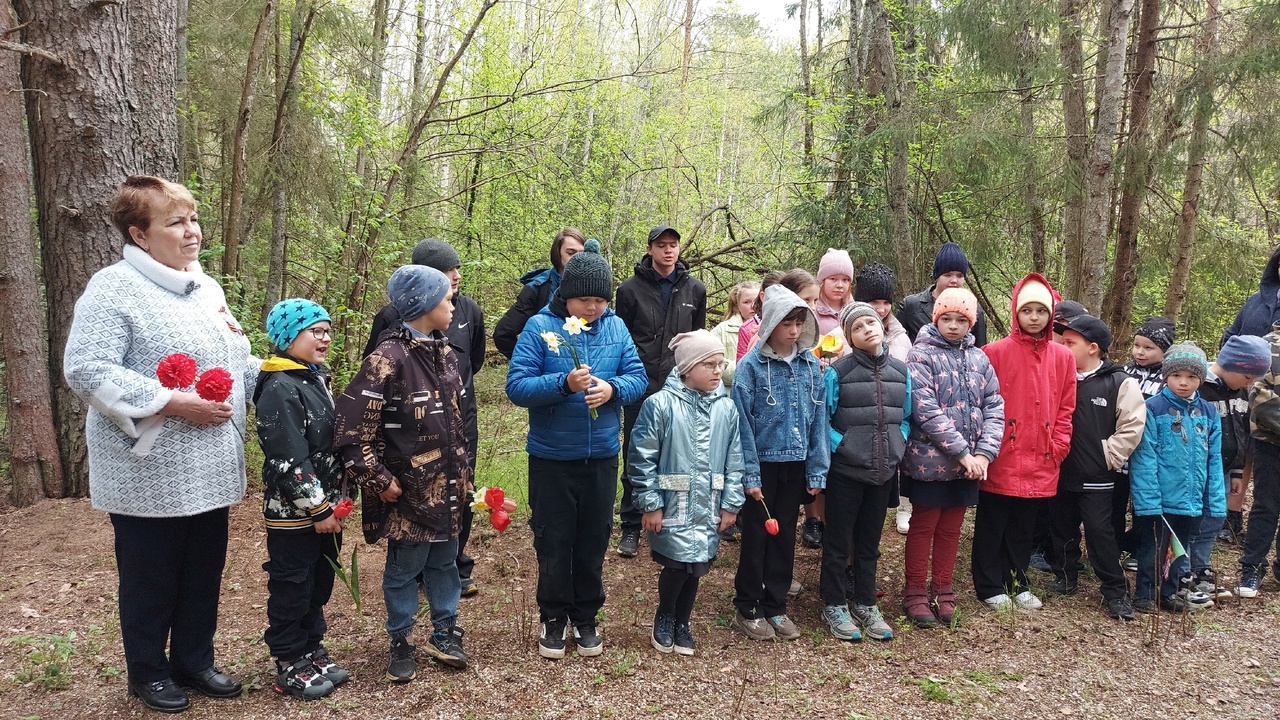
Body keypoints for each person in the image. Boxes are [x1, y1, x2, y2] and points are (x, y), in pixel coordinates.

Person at [64, 175, 256, 713]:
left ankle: (194, 661)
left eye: (192, 219)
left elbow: (238, 362)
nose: (191, 232)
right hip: (147, 473)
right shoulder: (112, 288)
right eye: (175, 222)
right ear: (139, 234)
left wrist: (291, 377)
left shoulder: (206, 287)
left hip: (209, 467)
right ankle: (147, 672)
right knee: (151, 581)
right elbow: (85, 369)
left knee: (203, 572)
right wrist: (172, 402)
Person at [506, 241, 648, 659]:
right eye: (586, 299)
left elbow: (638, 377)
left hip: (601, 456)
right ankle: (553, 618)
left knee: (592, 540)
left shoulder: (616, 328)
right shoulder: (539, 328)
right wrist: (561, 384)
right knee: (553, 541)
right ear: (566, 295)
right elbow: (516, 387)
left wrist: (613, 388)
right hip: (551, 458)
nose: (594, 308)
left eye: (601, 300)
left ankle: (586, 617)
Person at [334, 265, 472, 682]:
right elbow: (351, 429)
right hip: (408, 494)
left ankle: (445, 630)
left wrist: (464, 477)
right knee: (404, 568)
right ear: (425, 305)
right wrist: (379, 479)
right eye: (446, 299)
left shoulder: (445, 353)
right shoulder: (386, 358)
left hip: (446, 489)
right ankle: (401, 638)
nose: (453, 305)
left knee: (445, 563)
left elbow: (456, 423)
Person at [364, 239, 485, 596]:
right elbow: (378, 375)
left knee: (460, 490)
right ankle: (412, 569)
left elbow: (472, 362)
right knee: (414, 497)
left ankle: (454, 564)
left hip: (461, 419)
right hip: (411, 429)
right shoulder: (391, 316)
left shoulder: (469, 311)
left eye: (457, 268)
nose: (456, 276)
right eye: (448, 272)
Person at [629, 331, 746, 656]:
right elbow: (642, 457)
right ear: (687, 367)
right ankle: (665, 615)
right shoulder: (660, 405)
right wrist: (651, 503)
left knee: (697, 566)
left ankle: (683, 621)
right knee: (677, 565)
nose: (716, 371)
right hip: (673, 503)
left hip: (708, 503)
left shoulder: (726, 408)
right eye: (708, 364)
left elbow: (736, 460)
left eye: (720, 364)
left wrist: (731, 504)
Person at [256, 299, 346, 700]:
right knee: (292, 584)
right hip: (295, 513)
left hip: (328, 509)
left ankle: (312, 647)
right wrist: (317, 506)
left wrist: (339, 499)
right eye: (315, 331)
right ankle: (289, 659)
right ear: (288, 337)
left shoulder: (314, 378)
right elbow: (288, 456)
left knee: (318, 582)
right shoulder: (279, 386)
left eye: (327, 330)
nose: (325, 338)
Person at [729, 285, 829, 641]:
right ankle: (748, 606)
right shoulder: (750, 368)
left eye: (799, 322)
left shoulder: (809, 366)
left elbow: (819, 421)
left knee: (785, 535)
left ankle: (776, 604)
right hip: (763, 466)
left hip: (796, 463)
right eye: (787, 322)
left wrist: (817, 468)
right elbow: (741, 424)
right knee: (757, 534)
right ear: (771, 323)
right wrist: (750, 474)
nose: (793, 330)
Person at [900, 288, 1004, 628]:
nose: (954, 326)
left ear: (971, 323)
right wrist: (962, 452)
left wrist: (984, 453)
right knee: (924, 526)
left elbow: (995, 407)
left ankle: (943, 588)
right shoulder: (921, 355)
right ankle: (915, 591)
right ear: (936, 318)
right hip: (930, 463)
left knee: (951, 529)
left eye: (962, 320)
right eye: (947, 318)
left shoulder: (979, 359)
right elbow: (926, 410)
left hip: (969, 466)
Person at [974, 273, 1075, 611]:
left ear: (1050, 316)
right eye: (1027, 310)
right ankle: (989, 584)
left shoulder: (1063, 358)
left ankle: (1017, 581)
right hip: (1003, 450)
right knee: (994, 521)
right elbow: (982, 402)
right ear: (1016, 312)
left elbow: (1066, 405)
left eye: (1041, 311)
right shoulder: (994, 352)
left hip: (1042, 453)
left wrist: (1058, 444)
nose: (1034, 317)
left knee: (1025, 524)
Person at [615, 225, 708, 559]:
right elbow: (621, 338)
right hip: (640, 382)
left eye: (673, 245)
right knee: (637, 451)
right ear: (650, 248)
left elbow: (698, 342)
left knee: (676, 452)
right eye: (662, 245)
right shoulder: (629, 290)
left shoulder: (694, 289)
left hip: (680, 385)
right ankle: (631, 523)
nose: (668, 251)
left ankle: (671, 518)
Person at [819, 303, 910, 642]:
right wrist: (842, 445)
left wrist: (898, 442)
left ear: (883, 326)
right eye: (857, 328)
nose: (867, 329)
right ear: (849, 338)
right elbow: (823, 421)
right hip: (845, 471)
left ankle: (866, 602)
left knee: (870, 542)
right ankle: (833, 602)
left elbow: (905, 417)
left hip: (883, 470)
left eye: (871, 322)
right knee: (839, 540)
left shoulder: (901, 372)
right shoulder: (837, 372)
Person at [1047, 314, 1145, 621]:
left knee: (1100, 532)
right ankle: (1066, 576)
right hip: (1060, 471)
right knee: (1060, 526)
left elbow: (1132, 425)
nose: (1062, 347)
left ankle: (1115, 590)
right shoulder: (1057, 375)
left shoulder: (1120, 381)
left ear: (1092, 348)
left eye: (1069, 342)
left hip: (1097, 476)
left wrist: (1108, 456)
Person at [1129, 343, 1224, 613]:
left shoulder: (1208, 413)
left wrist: (1214, 499)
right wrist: (1148, 498)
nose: (1184, 382)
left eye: (1192, 377)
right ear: (1166, 376)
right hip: (1160, 498)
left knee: (1178, 549)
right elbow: (1144, 456)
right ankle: (1144, 593)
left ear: (1201, 379)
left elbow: (1214, 458)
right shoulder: (1153, 408)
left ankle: (1168, 593)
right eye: (1177, 376)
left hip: (1191, 498)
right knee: (1153, 548)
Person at [1192, 336, 1270, 598]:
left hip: (1223, 470)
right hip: (1194, 469)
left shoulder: (1241, 393)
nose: (1251, 383)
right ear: (1233, 366)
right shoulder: (1197, 387)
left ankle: (1200, 567)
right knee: (1191, 520)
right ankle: (1181, 570)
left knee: (1214, 520)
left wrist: (1237, 471)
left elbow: (1240, 434)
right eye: (1248, 377)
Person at [851, 262, 912, 534]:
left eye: (885, 302)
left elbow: (906, 395)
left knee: (871, 525)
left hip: (887, 438)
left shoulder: (900, 337)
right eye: (873, 301)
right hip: (852, 446)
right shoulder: (847, 333)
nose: (880, 308)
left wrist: (900, 436)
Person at [1117, 316, 1175, 566]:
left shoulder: (1168, 379)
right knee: (1115, 501)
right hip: (1120, 451)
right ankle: (1115, 545)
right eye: (1137, 345)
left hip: (1149, 454)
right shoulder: (1122, 373)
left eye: (1149, 347)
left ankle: (1140, 548)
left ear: (1164, 350)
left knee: (1144, 504)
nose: (1140, 352)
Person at [493, 227, 586, 359]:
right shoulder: (538, 288)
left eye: (581, 253)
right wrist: (530, 360)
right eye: (571, 253)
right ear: (558, 254)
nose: (577, 258)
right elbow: (503, 334)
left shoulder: (596, 287)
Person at [1238, 324, 1280, 598]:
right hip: (1271, 441)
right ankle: (1252, 566)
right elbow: (1258, 393)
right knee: (1266, 505)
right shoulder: (1267, 345)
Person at [896, 242, 989, 346]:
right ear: (937, 276)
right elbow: (895, 341)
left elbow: (980, 349)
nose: (954, 280)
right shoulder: (912, 305)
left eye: (959, 276)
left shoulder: (974, 309)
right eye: (947, 275)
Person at [710, 280, 760, 388]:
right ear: (738, 306)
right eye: (746, 302)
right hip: (731, 396)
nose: (753, 306)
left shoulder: (774, 329)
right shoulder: (722, 330)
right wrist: (746, 370)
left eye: (757, 301)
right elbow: (709, 364)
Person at [736, 270, 785, 362]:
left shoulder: (796, 324)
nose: (781, 299)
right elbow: (741, 366)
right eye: (776, 294)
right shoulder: (748, 328)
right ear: (763, 296)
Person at [814, 248, 855, 336]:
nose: (840, 285)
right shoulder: (812, 310)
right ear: (822, 281)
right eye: (833, 279)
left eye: (845, 280)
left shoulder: (854, 310)